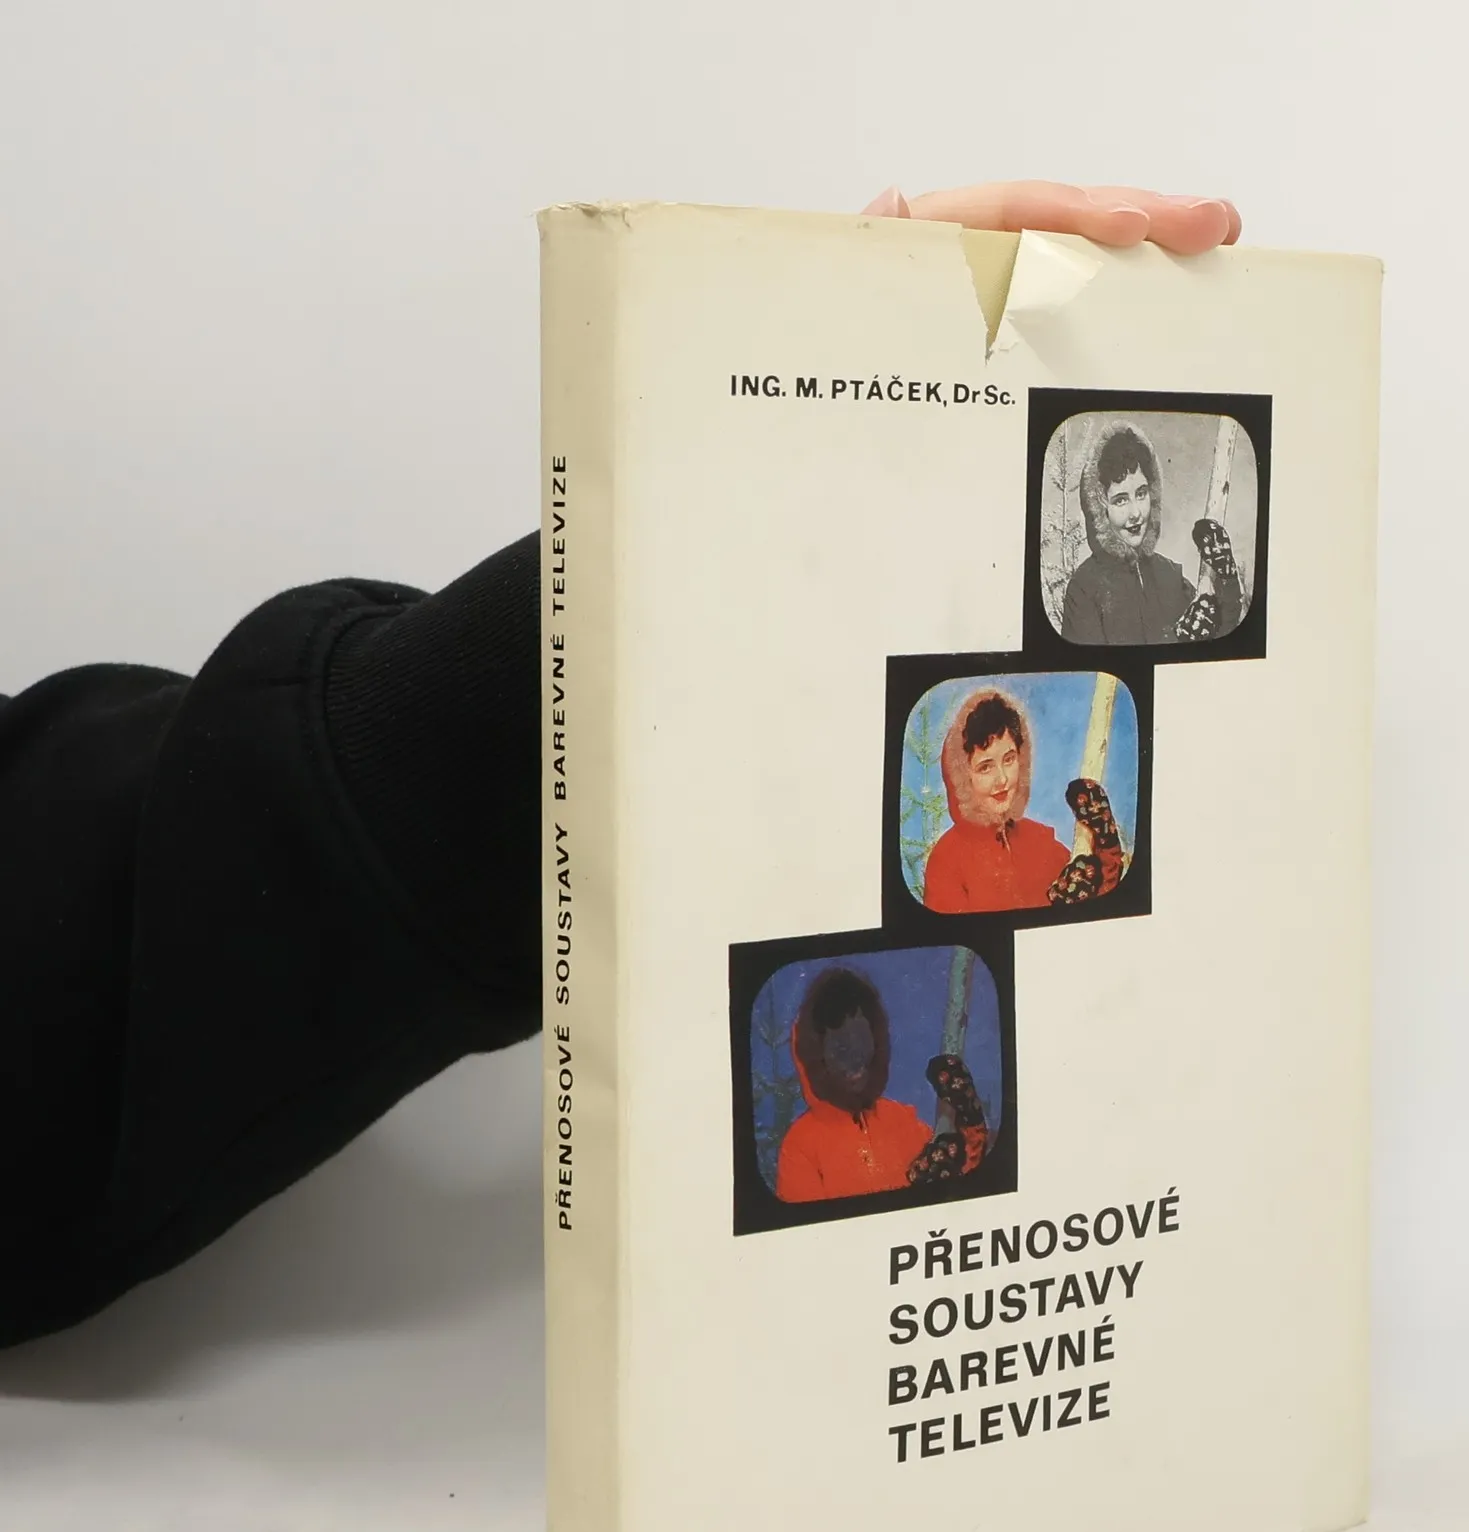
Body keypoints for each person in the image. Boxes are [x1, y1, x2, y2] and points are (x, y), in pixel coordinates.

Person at [0, 180, 1240, 1349]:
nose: (1007, 784)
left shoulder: (988, 946)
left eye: (1017, 765)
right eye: (990, 765)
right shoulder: (877, 1012)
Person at [774, 967, 988, 1202]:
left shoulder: (903, 1123)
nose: (854, 1057)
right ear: (817, 1054)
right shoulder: (800, 1147)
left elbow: (969, 1189)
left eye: (861, 1039)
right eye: (840, 1046)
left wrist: (968, 1123)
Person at [921, 685, 1124, 913]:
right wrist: (1052, 909)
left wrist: (1105, 843)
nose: (1002, 779)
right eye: (985, 767)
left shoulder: (1040, 842)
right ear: (962, 776)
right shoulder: (946, 860)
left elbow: (1103, 906)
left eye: (1009, 759)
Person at [1059, 418, 1245, 646]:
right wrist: (1176, 638)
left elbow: (1221, 639)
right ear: (1099, 509)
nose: (1136, 513)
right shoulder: (1084, 589)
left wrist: (1226, 577)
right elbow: (1096, 666)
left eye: (1141, 494)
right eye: (1120, 500)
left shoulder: (1169, 577)